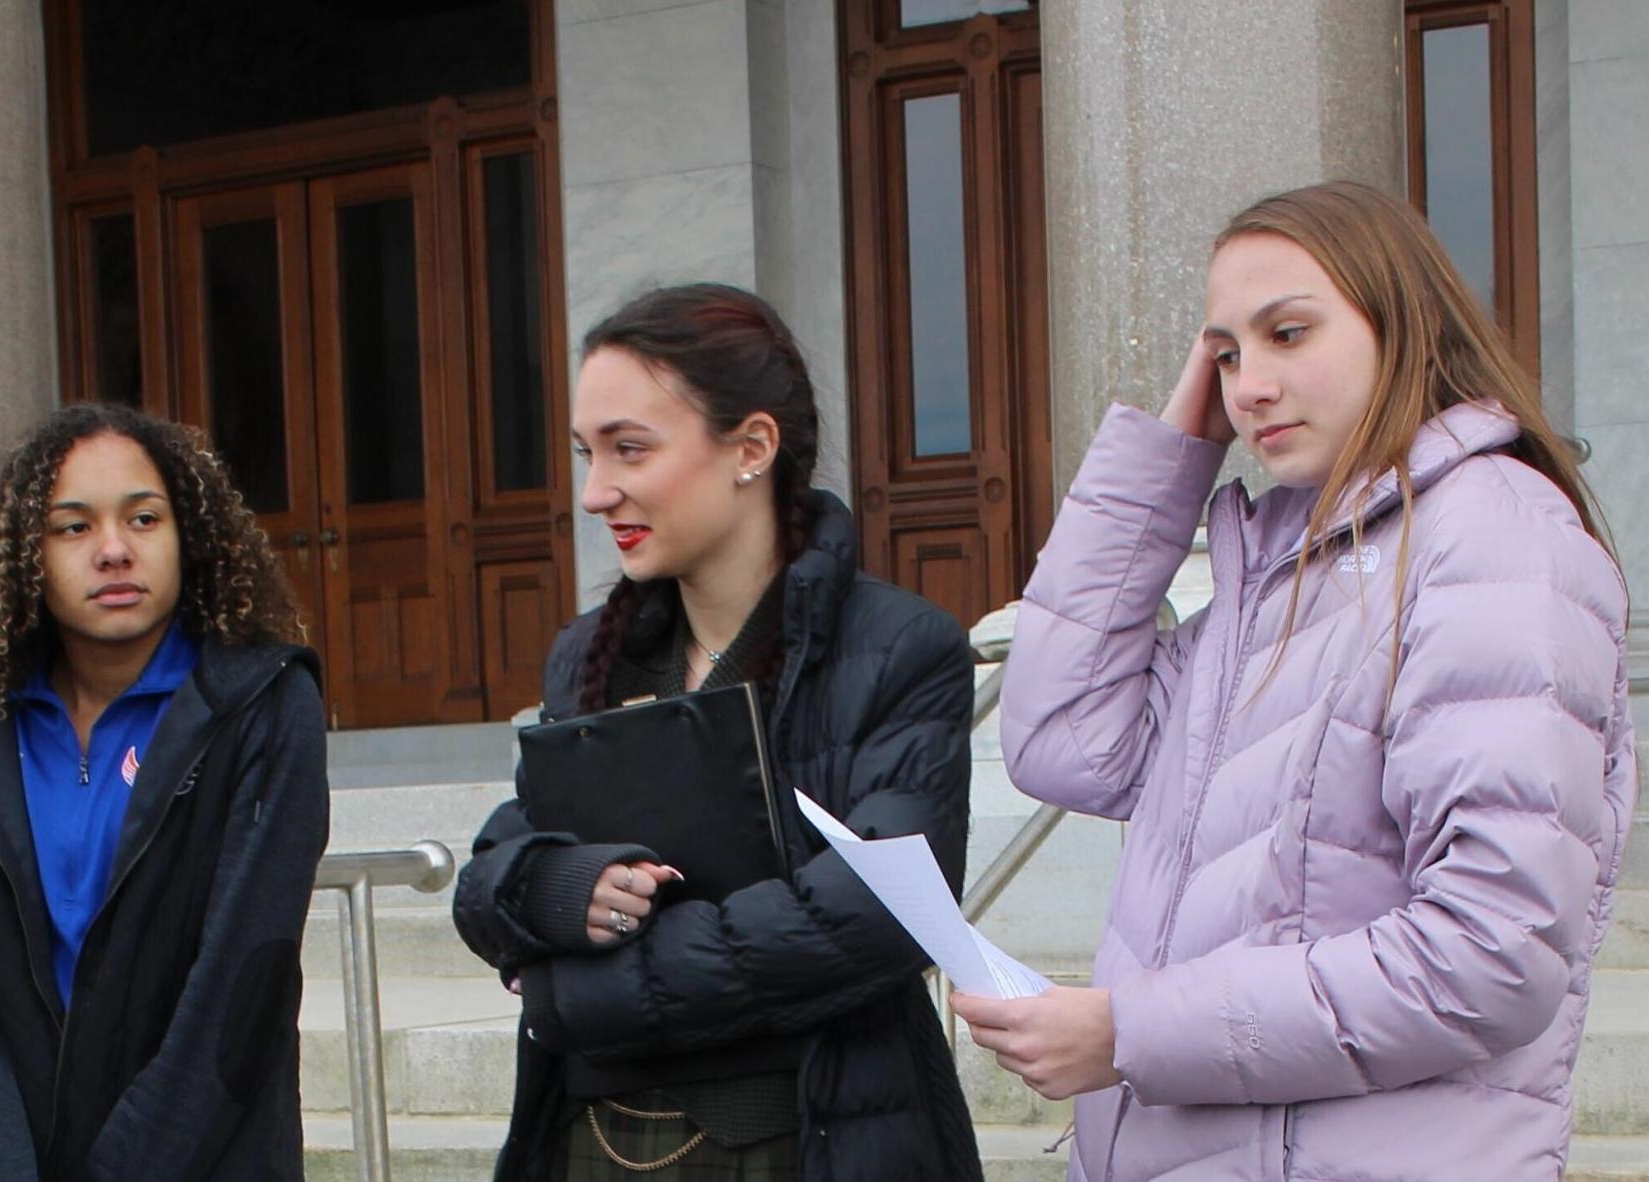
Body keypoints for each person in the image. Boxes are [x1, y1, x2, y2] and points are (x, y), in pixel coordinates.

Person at [954, 180, 1636, 1182]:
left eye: (1289, 334)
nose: (1248, 386)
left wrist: (1131, 1034)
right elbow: (1063, 741)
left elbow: (1491, 956)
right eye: (1225, 354)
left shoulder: (1493, 537)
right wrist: (1169, 458)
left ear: (1401, 324)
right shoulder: (1283, 563)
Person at [454, 283, 984, 1182]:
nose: (594, 492)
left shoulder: (897, 647)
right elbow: (492, 876)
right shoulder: (592, 656)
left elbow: (873, 911)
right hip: (594, 1142)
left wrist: (573, 989)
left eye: (629, 449)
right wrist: (565, 889)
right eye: (587, 453)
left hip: (803, 1139)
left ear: (751, 447)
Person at [0, 403, 330, 1181]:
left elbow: (240, 993)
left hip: (204, 1159)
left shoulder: (261, 705)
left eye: (143, 518)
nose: (113, 550)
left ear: (188, 534)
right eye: (72, 527)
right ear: (25, 554)